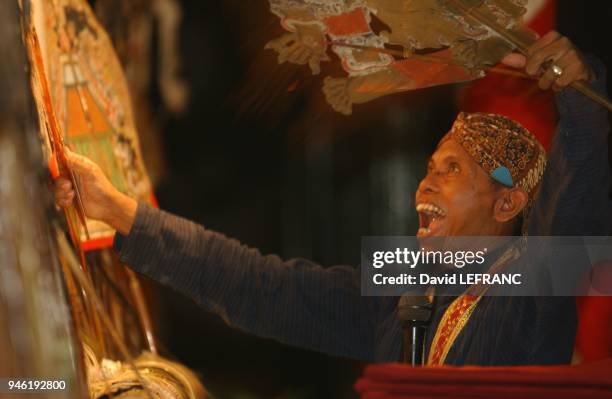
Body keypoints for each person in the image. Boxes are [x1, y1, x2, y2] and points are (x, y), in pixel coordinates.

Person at [54, 31, 610, 365]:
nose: (426, 183)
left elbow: (570, 209)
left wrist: (582, 96)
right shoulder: (404, 288)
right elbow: (262, 284)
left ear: (507, 205)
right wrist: (117, 209)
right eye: (427, 168)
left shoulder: (529, 291)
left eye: (452, 169)